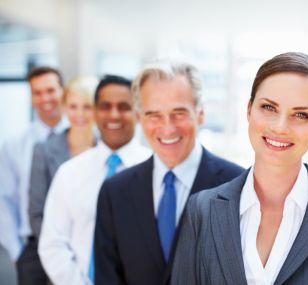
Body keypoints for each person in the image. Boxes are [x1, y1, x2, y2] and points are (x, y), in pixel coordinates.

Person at [172, 52, 308, 285]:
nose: (280, 127)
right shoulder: (201, 211)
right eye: (268, 107)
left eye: (300, 114)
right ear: (248, 110)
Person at [94, 62, 244, 285]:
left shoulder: (237, 186)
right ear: (139, 117)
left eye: (179, 113)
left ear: (200, 113)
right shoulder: (115, 192)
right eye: (154, 114)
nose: (167, 128)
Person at [38, 75, 152, 285]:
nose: (114, 115)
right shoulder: (70, 173)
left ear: (138, 112)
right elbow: (52, 243)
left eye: (124, 106)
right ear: (95, 112)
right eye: (105, 106)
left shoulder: (156, 171)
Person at [0, 67, 69, 285]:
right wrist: (16, 251)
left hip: (74, 245)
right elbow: (4, 199)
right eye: (37, 93)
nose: (45, 98)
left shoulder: (80, 139)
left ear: (62, 92)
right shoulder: (13, 145)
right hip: (32, 250)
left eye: (50, 90)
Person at [29, 76, 98, 239]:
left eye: (87, 107)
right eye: (73, 106)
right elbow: (37, 214)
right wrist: (58, 252)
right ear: (64, 108)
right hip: (55, 246)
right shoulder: (43, 151)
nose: (79, 114)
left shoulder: (108, 150)